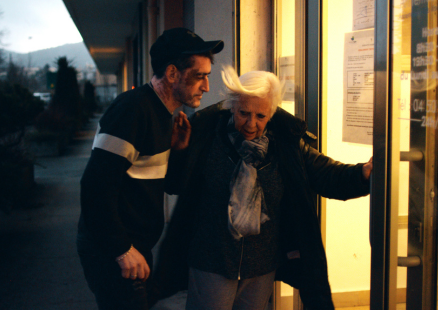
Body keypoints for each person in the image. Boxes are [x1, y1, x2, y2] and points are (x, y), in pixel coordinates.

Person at [156, 67, 373, 310]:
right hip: (212, 260)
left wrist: (362, 173)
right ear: (232, 107)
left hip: (260, 265)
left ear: (271, 114)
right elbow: (175, 184)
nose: (251, 124)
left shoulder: (285, 145)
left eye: (260, 116)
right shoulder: (208, 137)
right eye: (243, 113)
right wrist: (178, 151)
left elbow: (326, 173)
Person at [77, 27, 224, 310]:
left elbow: (170, 185)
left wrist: (178, 151)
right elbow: (95, 186)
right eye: (200, 76)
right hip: (111, 249)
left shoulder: (164, 115)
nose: (206, 86)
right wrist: (122, 249)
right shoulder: (133, 110)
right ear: (172, 74)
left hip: (135, 247)